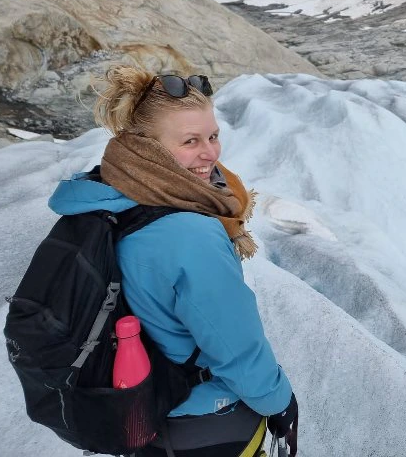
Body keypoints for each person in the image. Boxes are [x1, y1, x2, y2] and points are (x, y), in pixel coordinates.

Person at [47, 65, 298, 456]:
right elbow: (234, 347)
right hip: (200, 420)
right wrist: (278, 403)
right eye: (190, 141)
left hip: (138, 412)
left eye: (213, 136)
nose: (210, 153)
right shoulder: (189, 235)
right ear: (149, 148)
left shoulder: (110, 195)